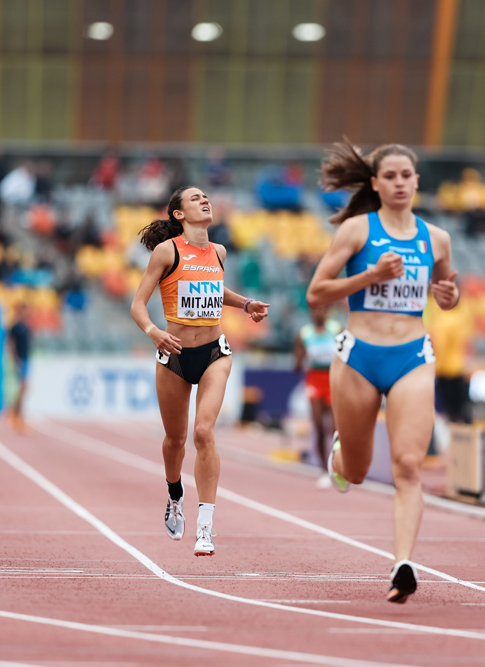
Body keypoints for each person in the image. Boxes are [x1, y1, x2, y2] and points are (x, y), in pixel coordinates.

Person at [306, 141, 459, 603]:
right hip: (358, 357)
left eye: (405, 176)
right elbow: (317, 293)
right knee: (355, 471)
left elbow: (448, 287)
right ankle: (339, 456)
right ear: (375, 182)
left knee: (408, 465)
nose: (398, 183)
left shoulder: (437, 239)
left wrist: (450, 297)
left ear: (416, 182)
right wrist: (370, 276)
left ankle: (403, 565)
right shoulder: (357, 230)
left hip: (412, 355)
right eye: (388, 176)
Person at [130, 186, 269, 557]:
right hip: (173, 355)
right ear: (178, 214)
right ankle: (175, 494)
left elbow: (216, 289)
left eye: (206, 196)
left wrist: (247, 304)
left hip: (213, 353)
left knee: (203, 432)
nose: (204, 200)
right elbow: (138, 304)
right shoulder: (167, 252)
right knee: (175, 441)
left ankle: (205, 527)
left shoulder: (219, 252)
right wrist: (155, 332)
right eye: (195, 198)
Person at [293, 306, 342, 488]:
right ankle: (323, 469)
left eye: (322, 310)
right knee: (319, 426)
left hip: (333, 378)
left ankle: (336, 465)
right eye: (316, 310)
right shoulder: (304, 334)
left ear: (327, 312)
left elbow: (348, 355)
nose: (319, 313)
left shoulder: (337, 330)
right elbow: (296, 366)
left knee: (335, 429)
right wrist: (301, 357)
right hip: (314, 379)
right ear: (311, 313)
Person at [7, 303, 32, 433]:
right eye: (24, 310)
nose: (26, 313)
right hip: (21, 360)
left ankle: (16, 414)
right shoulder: (15, 327)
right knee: (23, 387)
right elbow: (10, 344)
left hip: (26, 360)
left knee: (24, 388)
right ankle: (16, 415)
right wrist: (16, 360)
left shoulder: (26, 326)